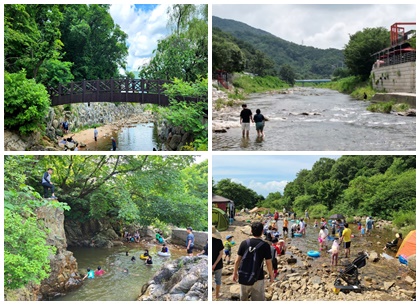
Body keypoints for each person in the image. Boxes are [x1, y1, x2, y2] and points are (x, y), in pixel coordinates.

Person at [232, 222, 274, 301]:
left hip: (243, 275)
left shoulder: (244, 243)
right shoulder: (265, 245)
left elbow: (237, 260)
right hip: (258, 277)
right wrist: (271, 275)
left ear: (251, 231)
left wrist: (235, 273)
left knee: (243, 299)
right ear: (262, 232)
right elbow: (268, 262)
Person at [212, 227, 224, 300]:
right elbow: (221, 254)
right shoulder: (219, 241)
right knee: (218, 280)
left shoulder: (208, 242)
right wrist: (215, 264)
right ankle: (217, 295)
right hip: (218, 265)